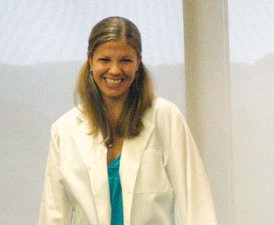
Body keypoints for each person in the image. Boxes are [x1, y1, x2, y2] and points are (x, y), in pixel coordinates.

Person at [38, 16, 218, 225]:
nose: (114, 70)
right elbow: (53, 214)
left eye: (125, 60)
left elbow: (196, 204)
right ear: (90, 61)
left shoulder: (166, 118)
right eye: (105, 60)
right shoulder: (64, 130)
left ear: (138, 63)